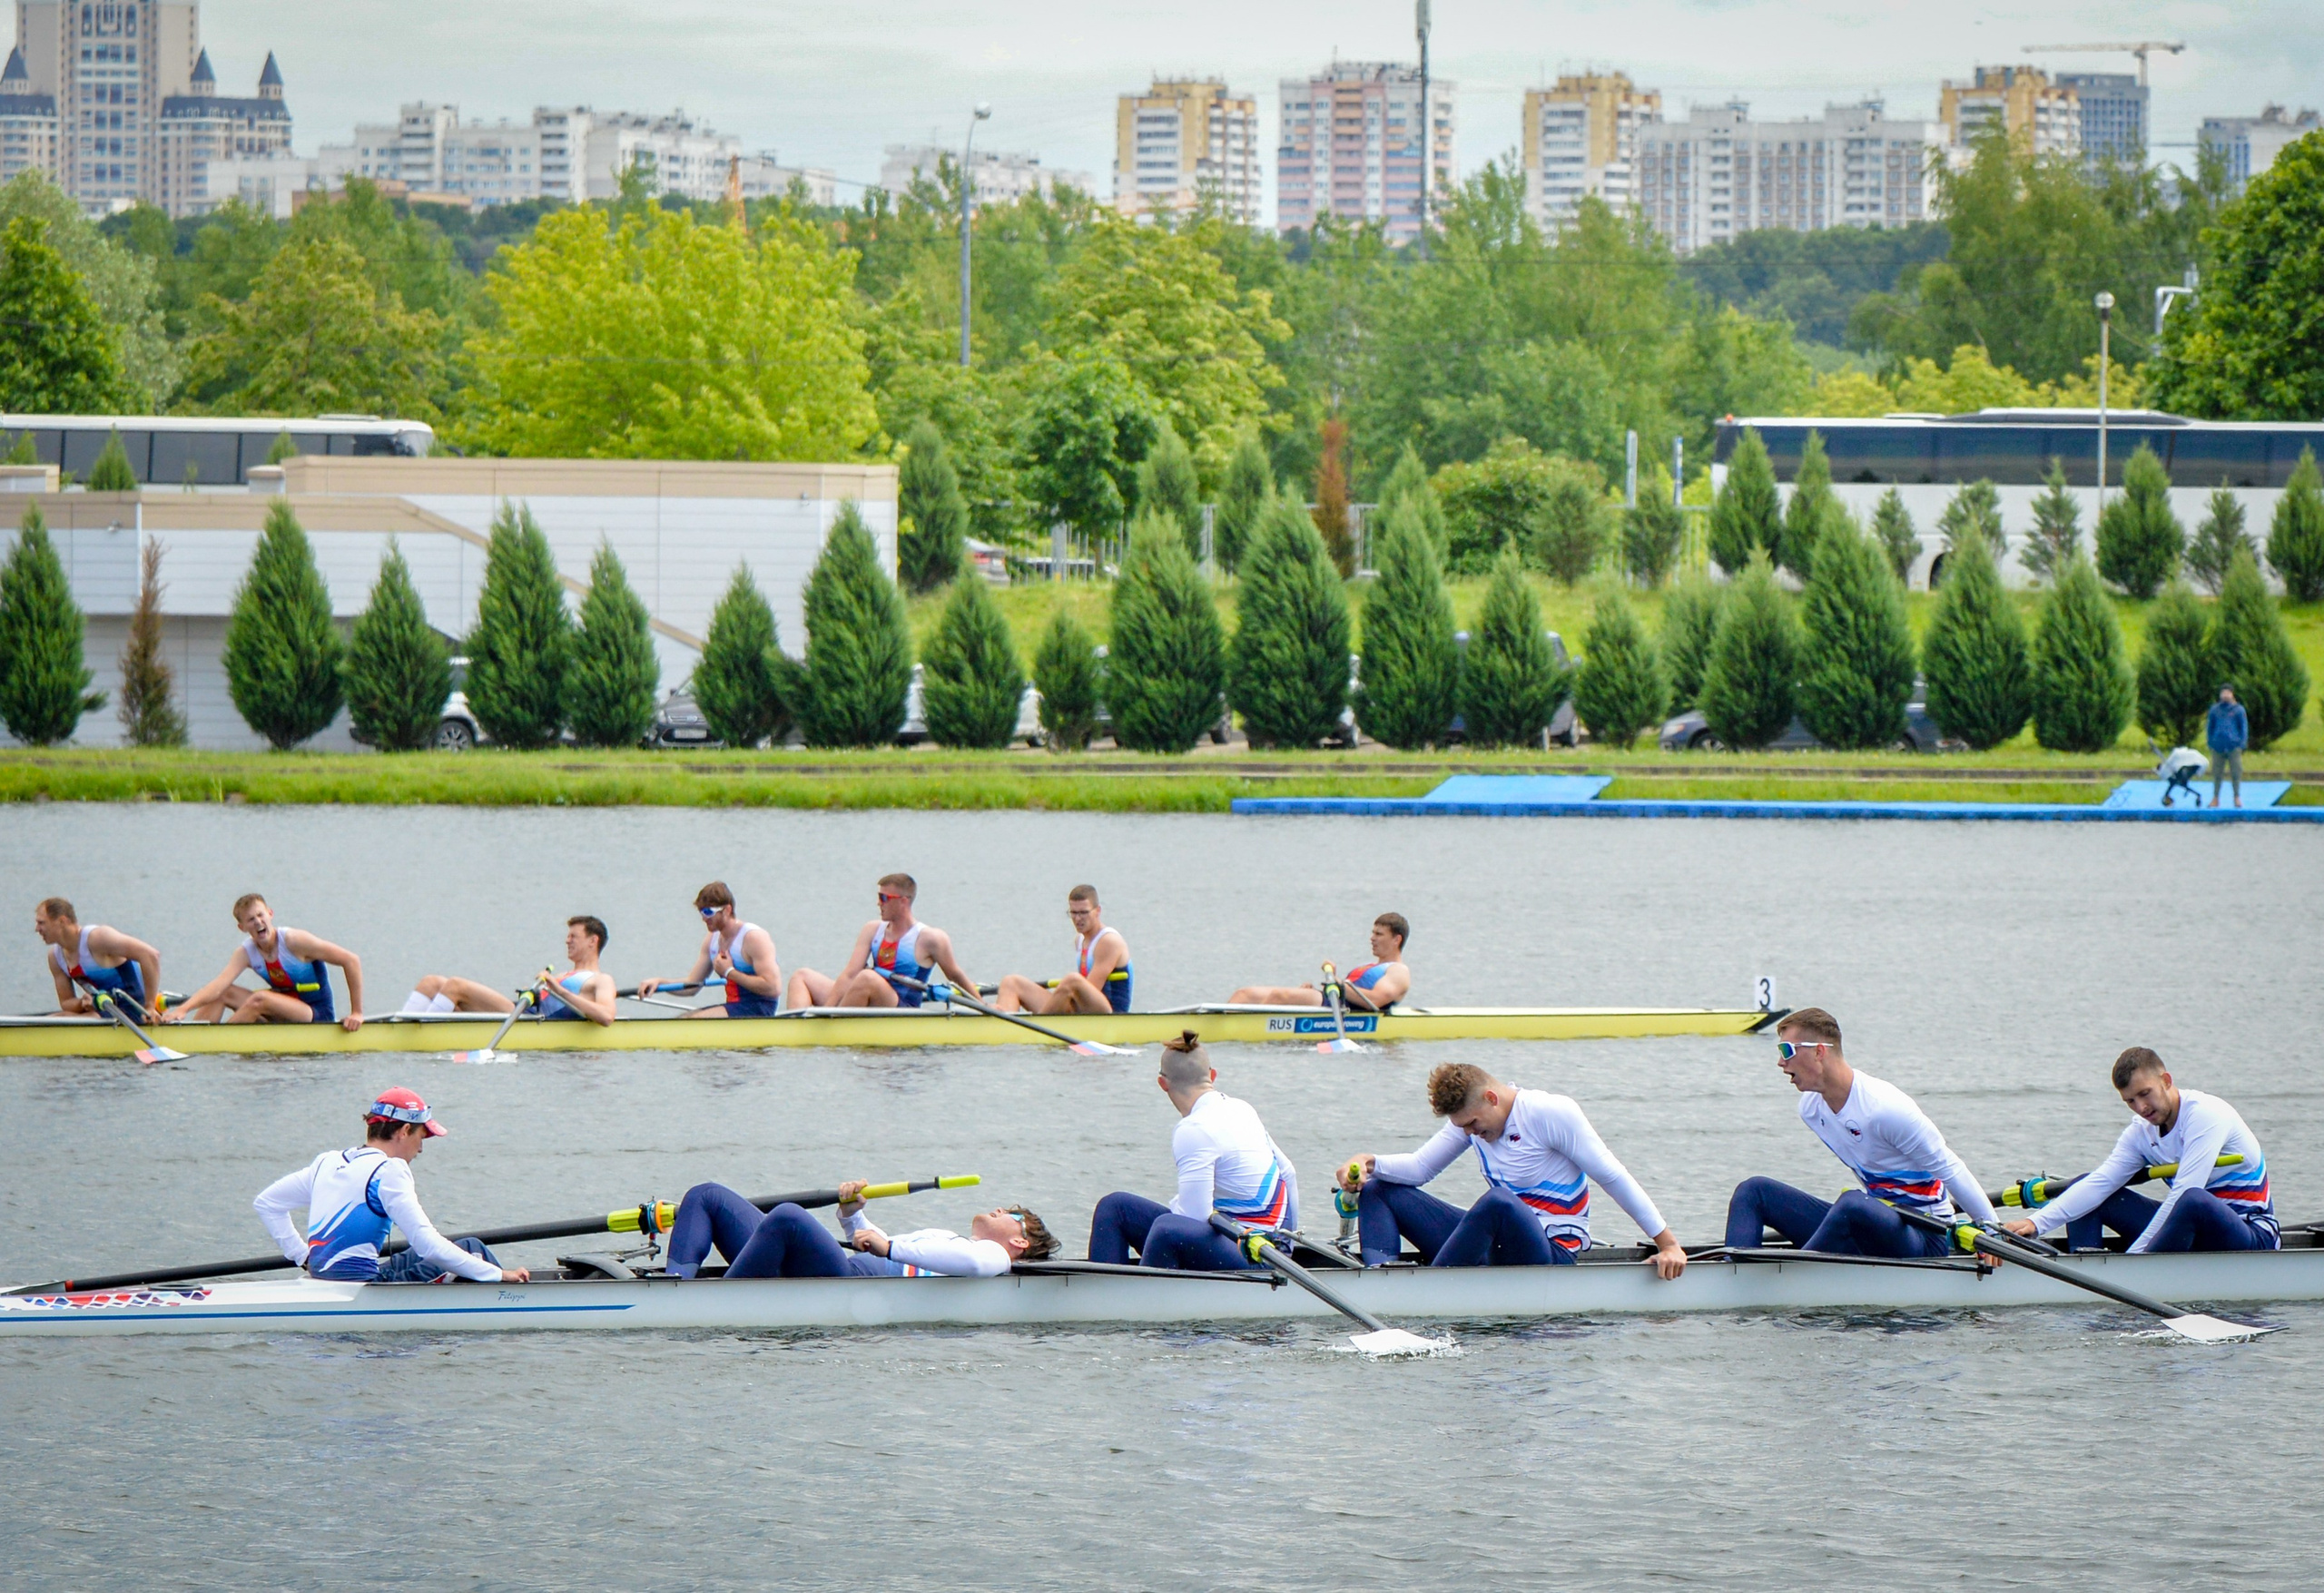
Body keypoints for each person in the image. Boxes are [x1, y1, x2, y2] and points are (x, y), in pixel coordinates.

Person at [1340, 1062, 1688, 1276]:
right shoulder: (1472, 1121)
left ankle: (1430, 1288)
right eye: (1462, 1127)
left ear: (1491, 1098)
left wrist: (1668, 1244)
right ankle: (1380, 1280)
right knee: (1379, 1188)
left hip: (1549, 1254)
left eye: (1472, 1123)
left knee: (1499, 1202)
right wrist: (1367, 1163)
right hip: (1498, 1248)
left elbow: (1612, 1176)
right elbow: (1420, 1168)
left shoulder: (1550, 1113)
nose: (1469, 1133)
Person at [1723, 1007, 1995, 1259]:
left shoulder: (1885, 1109)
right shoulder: (1811, 1109)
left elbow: (1951, 1169)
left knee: (1852, 1203)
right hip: (1873, 1225)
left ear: (1819, 1052)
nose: (1780, 1062)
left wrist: (1993, 1235)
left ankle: (1794, 1277)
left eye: (1787, 1050)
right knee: (1754, 1191)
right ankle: (1735, 1272)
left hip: (1925, 1237)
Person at [2002, 1047, 2277, 1254]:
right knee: (2088, 1188)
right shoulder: (2141, 1132)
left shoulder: (2206, 1115)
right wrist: (2036, 1222)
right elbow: (2100, 1183)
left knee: (2192, 1200)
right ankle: (2085, 1270)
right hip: (2193, 1230)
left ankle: (2126, 1278)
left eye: (2145, 1094)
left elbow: (2185, 1192)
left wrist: (2135, 1259)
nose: (2141, 1108)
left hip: (2251, 1235)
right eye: (2130, 1101)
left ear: (2166, 1080)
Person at [252, 1088, 528, 1284]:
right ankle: (510, 1300)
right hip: (366, 1286)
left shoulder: (327, 1162)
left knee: (459, 1250)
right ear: (405, 1131)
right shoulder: (389, 1171)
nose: (421, 1148)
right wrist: (499, 1275)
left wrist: (303, 1257)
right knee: (472, 1247)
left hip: (323, 1279)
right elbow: (427, 1245)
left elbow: (267, 1203)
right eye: (422, 1136)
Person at [1087, 1032, 1298, 1272]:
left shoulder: (1194, 1129)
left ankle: (1136, 1293)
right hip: (1268, 1248)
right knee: (1115, 1207)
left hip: (1254, 1256)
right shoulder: (1241, 1108)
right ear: (1213, 1075)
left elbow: (1194, 1218)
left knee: (1167, 1229)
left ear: (1162, 1083)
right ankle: (1105, 1287)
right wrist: (1286, 1247)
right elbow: (1288, 1172)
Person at [663, 1179, 1058, 1279]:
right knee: (707, 1196)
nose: (1000, 1209)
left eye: (1013, 1214)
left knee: (787, 1217)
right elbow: (880, 1244)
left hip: (847, 1279)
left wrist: (888, 1248)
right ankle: (675, 1284)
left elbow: (970, 1265)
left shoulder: (994, 1258)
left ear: (1019, 1241)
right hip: (844, 1267)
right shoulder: (952, 1242)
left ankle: (709, 1303)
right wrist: (853, 1216)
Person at [164, 893, 364, 1032]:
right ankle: (192, 1039)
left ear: (270, 914)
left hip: (315, 1013)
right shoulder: (246, 952)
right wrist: (182, 1010)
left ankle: (219, 1041)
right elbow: (218, 985)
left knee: (260, 999)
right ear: (242, 927)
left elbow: (351, 960)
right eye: (251, 919)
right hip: (280, 1010)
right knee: (223, 992)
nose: (258, 922)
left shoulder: (295, 941)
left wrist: (356, 1012)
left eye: (260, 915)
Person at [785, 873, 975, 1010]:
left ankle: (830, 1028)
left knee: (867, 978)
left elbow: (955, 975)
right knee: (802, 976)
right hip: (867, 994)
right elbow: (850, 974)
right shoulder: (872, 929)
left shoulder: (930, 938)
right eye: (879, 897)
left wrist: (981, 1005)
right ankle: (798, 1028)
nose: (879, 903)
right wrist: (827, 1008)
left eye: (884, 898)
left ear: (903, 901)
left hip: (902, 1007)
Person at [406, 916, 618, 1026]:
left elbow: (607, 1016)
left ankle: (420, 1038)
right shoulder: (561, 975)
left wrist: (559, 991)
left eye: (574, 936)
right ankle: (401, 1029)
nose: (567, 940)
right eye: (567, 936)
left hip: (528, 1021)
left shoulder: (601, 980)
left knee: (455, 986)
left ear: (593, 941)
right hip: (519, 1012)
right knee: (431, 982)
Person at [638, 882, 782, 1018]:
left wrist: (730, 972)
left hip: (759, 1008)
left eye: (708, 912)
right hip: (734, 1007)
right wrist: (660, 983)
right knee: (684, 1019)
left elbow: (773, 988)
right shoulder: (712, 940)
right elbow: (692, 986)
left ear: (727, 910)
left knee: (690, 1022)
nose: (704, 918)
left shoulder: (753, 938)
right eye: (701, 912)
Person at [1228, 912, 1411, 1011]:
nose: (1372, 938)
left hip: (1346, 1010)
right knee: (1245, 994)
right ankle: (1217, 1028)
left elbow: (1376, 1000)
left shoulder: (1398, 971)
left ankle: (1244, 1030)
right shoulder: (1370, 966)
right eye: (1372, 933)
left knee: (1279, 996)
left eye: (1379, 934)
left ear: (1397, 940)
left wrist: (1339, 985)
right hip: (1331, 1002)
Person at [996, 884, 1133, 1016]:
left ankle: (1038, 1025)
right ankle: (1004, 1023)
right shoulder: (1080, 940)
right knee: (1011, 982)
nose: (1078, 919)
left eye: (1084, 913)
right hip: (1084, 1006)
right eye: (1074, 913)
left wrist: (1061, 993)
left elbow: (1090, 989)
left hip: (1111, 1013)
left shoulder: (1108, 941)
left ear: (1098, 911)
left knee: (1072, 980)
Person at [34, 897, 162, 1018]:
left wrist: (149, 1007)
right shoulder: (55, 957)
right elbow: (66, 1002)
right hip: (104, 1008)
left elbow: (150, 955)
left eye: (41, 923)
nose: (37, 929)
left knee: (72, 1021)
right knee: (60, 1018)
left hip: (135, 1008)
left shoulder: (98, 938)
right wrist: (82, 1003)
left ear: (62, 921)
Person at [2206, 686, 2248, 809]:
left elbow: (2243, 728)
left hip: (2233, 746)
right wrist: (2211, 742)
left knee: (2236, 772)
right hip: (2218, 746)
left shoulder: (2238, 710)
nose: (2225, 695)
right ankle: (2215, 798)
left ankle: (2237, 797)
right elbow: (2210, 727)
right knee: (2217, 773)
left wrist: (2241, 744)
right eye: (2223, 693)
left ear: (2232, 694)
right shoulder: (2215, 710)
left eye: (2228, 693)